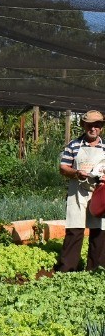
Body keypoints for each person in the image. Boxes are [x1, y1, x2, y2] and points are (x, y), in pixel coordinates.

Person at [56, 110, 105, 272]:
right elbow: (63, 168)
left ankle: (96, 269)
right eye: (90, 125)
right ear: (84, 126)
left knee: (99, 231)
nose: (93, 129)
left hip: (99, 193)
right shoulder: (74, 145)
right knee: (74, 229)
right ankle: (67, 269)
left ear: (101, 128)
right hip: (78, 192)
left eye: (97, 126)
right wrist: (76, 173)